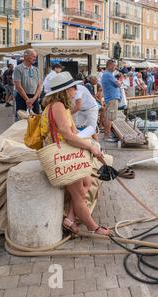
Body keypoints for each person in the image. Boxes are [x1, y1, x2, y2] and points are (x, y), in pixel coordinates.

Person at [40, 71, 110, 236]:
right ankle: (93, 228)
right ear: (64, 91)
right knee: (78, 194)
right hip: (64, 156)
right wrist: (90, 146)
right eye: (73, 87)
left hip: (66, 153)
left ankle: (70, 219)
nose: (76, 90)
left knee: (88, 181)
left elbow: (69, 131)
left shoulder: (60, 106)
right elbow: (67, 135)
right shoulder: (57, 106)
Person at [13, 49, 42, 120]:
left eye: (35, 57)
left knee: (36, 118)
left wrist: (34, 98)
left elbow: (39, 85)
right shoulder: (18, 68)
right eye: (33, 56)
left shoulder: (36, 69)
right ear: (26, 56)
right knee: (21, 118)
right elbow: (18, 86)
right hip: (22, 97)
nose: (35, 58)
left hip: (34, 97)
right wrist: (27, 100)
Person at [101, 60, 122, 143]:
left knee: (108, 117)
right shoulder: (108, 75)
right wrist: (119, 81)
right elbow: (119, 84)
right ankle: (107, 136)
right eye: (114, 66)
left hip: (110, 98)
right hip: (112, 98)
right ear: (109, 65)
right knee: (109, 118)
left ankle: (107, 135)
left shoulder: (107, 74)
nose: (115, 68)